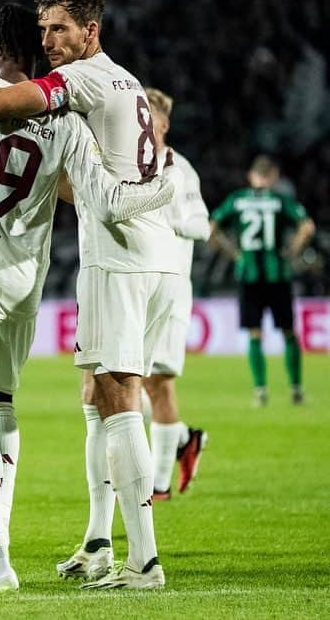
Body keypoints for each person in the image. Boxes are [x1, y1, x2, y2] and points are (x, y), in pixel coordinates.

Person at [0, 0, 178, 592]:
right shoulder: (82, 109)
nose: (53, 40)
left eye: (61, 29)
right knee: (35, 398)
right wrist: (156, 191)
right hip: (25, 283)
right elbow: (86, 192)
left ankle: (0, 561)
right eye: (45, 31)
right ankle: (101, 541)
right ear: (32, 44)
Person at [141, 89, 210, 500]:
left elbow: (202, 226)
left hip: (169, 288)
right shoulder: (127, 161)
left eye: (145, 116)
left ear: (162, 124)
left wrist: (172, 219)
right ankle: (183, 436)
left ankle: (160, 484)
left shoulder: (179, 169)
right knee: (120, 386)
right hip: (134, 289)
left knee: (159, 383)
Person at [209, 155, 315, 406]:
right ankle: (296, 389)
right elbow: (307, 226)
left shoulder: (236, 200)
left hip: (249, 274)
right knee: (289, 332)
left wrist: (233, 253)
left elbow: (211, 228)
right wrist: (292, 250)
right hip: (277, 274)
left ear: (251, 176)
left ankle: (260, 390)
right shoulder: (279, 200)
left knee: (255, 334)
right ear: (274, 176)